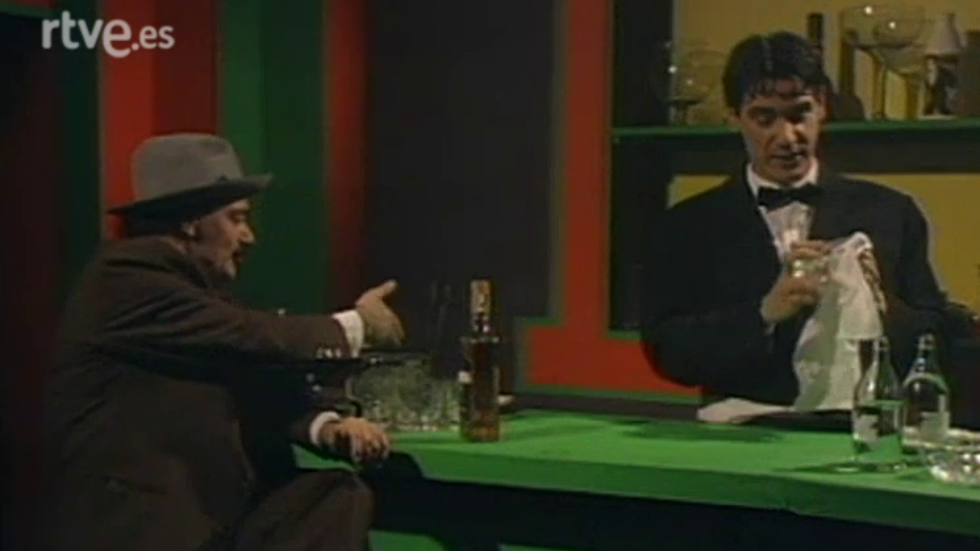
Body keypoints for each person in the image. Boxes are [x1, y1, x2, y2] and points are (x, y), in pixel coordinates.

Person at [46, 133, 405, 551]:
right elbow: (250, 336)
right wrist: (358, 326)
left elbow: (248, 378)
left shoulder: (187, 284)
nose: (249, 236)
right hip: (143, 532)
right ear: (191, 220)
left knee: (337, 497)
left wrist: (327, 428)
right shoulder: (126, 279)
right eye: (236, 219)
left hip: (209, 521)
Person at [640, 31, 947, 419]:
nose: (787, 137)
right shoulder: (688, 226)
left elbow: (934, 339)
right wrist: (764, 313)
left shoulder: (890, 212)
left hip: (859, 427)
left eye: (799, 114)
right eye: (764, 118)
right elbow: (670, 354)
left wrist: (882, 306)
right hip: (738, 432)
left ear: (822, 107)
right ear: (734, 118)